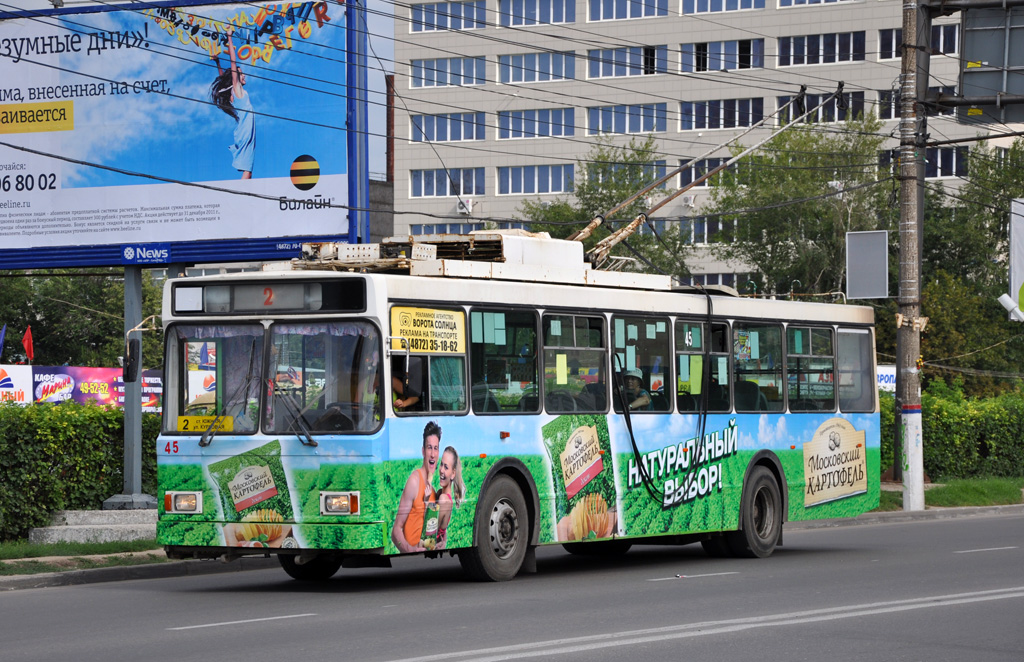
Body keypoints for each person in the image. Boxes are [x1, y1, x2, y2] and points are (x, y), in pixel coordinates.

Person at [210, 26, 254, 179]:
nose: (244, 76)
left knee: (248, 168)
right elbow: (233, 63)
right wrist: (229, 37)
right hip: (245, 130)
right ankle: (241, 197)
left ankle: (243, 194)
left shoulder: (232, 92)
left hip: (242, 130)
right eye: (241, 74)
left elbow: (223, 79)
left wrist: (217, 63)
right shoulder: (237, 90)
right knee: (247, 169)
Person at [390, 421, 440, 553]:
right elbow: (396, 531)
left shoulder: (433, 491)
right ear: (423, 451)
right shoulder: (414, 481)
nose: (433, 454)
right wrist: (410, 550)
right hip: (414, 559)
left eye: (436, 448)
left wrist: (442, 542)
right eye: (429, 448)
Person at [435, 445, 466, 549]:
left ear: (453, 474)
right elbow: (442, 531)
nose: (442, 470)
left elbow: (432, 532)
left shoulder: (444, 500)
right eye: (441, 465)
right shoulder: (443, 495)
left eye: (446, 467)